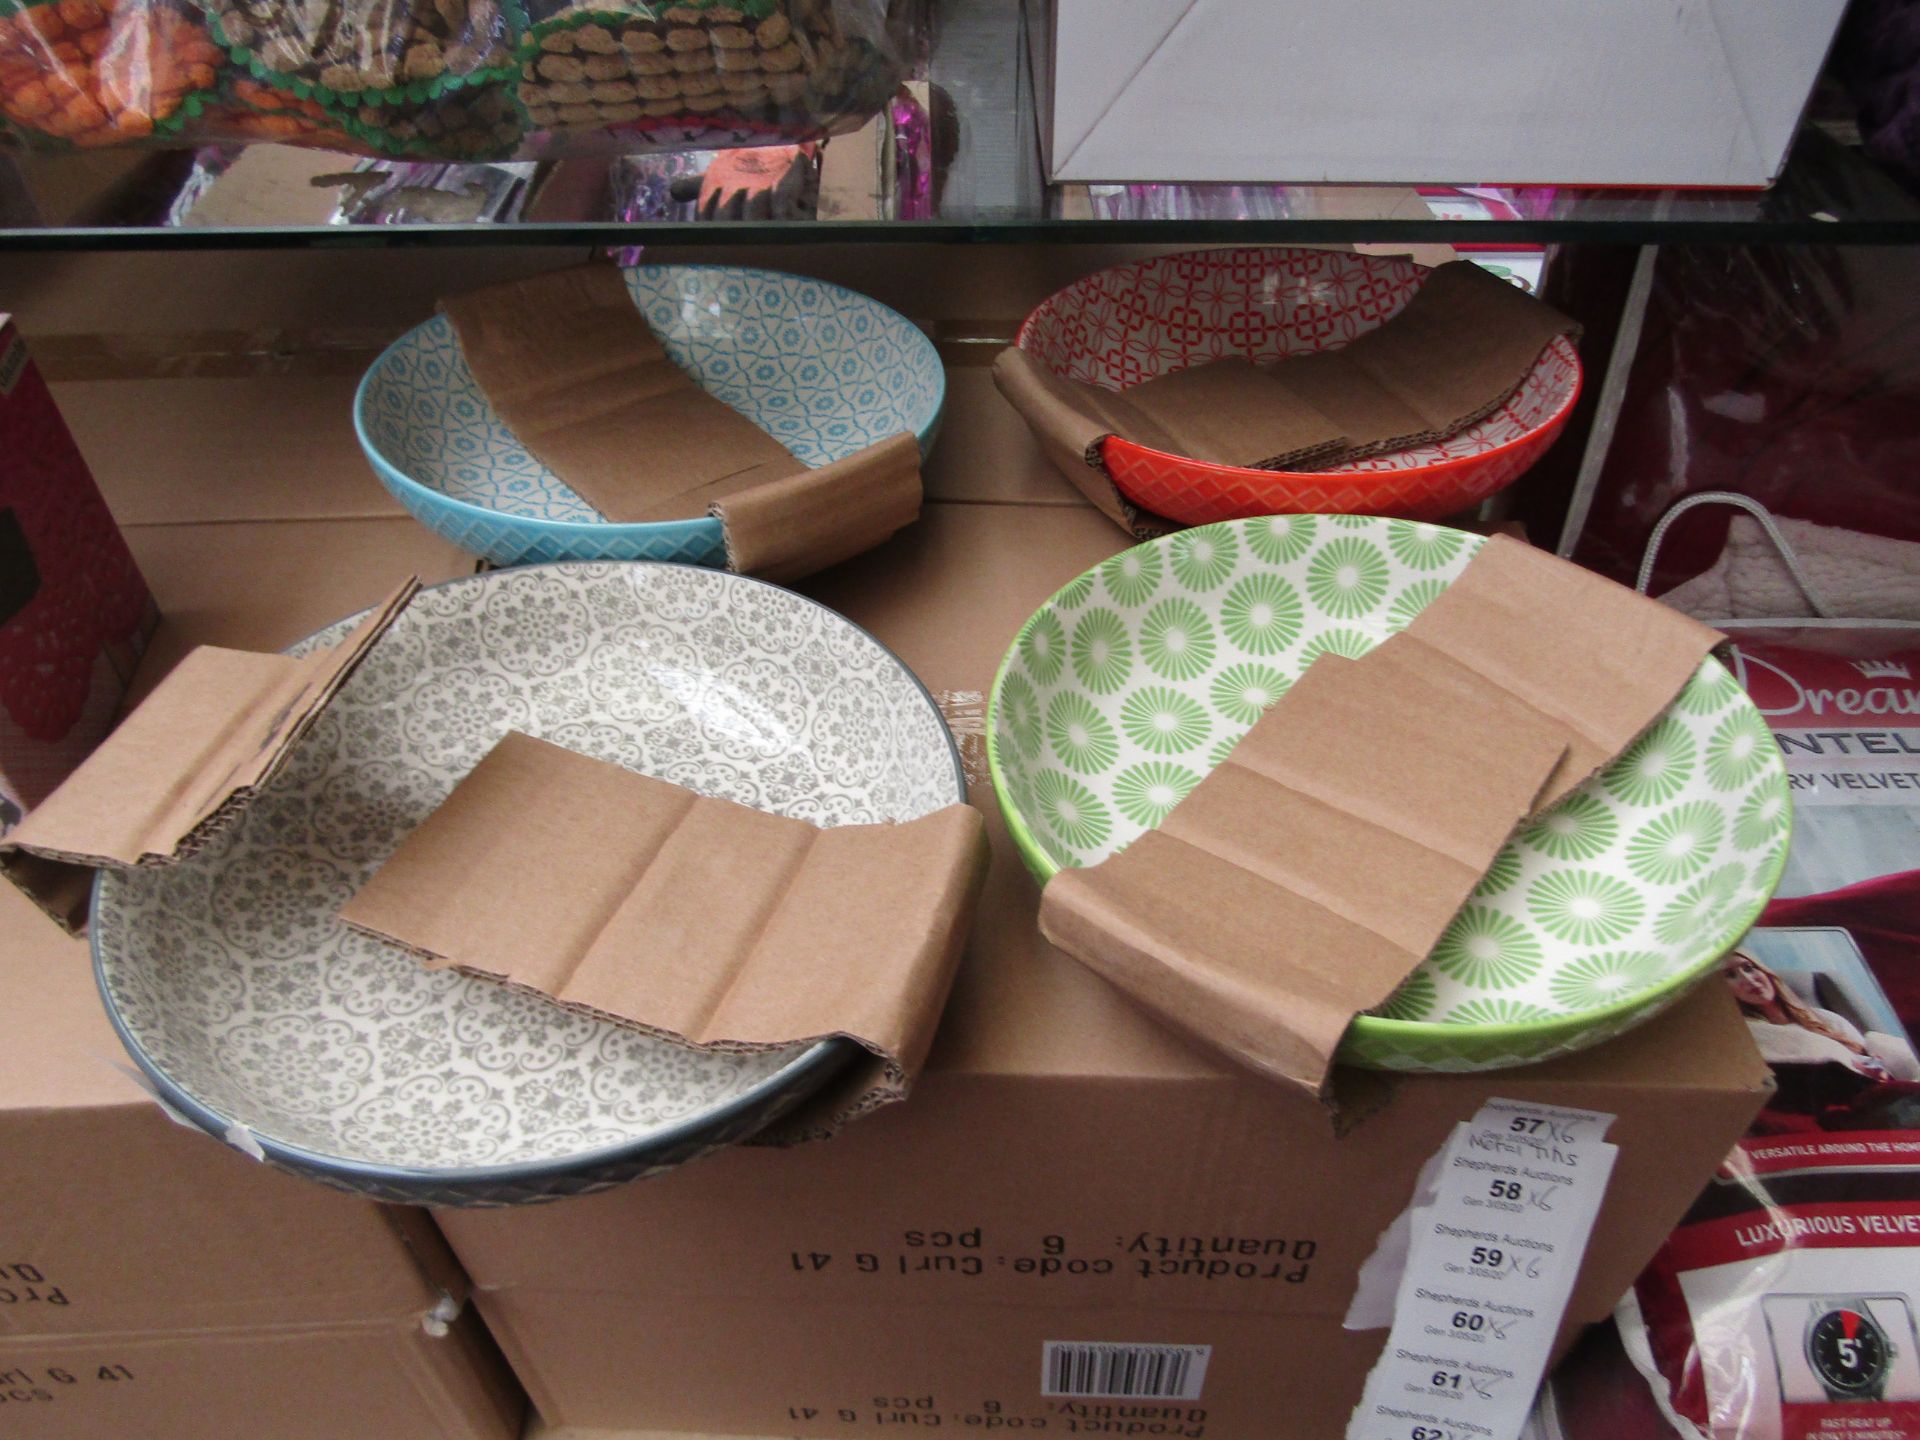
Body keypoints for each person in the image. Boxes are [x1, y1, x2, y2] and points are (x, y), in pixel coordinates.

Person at [1721, 949, 1895, 1081]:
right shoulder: (1748, 1034)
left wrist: (1877, 1068)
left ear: (1764, 971)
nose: (1749, 980)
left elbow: (1868, 1057)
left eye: (1749, 968)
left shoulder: (1824, 1018)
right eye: (1731, 975)